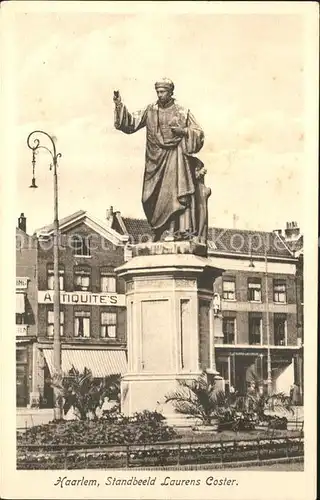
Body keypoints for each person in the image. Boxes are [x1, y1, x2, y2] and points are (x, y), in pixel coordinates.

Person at [114, 78, 211, 243]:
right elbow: (130, 123)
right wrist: (118, 105)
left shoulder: (182, 111)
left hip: (176, 161)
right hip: (154, 162)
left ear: (171, 92)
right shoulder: (150, 110)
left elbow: (199, 133)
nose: (160, 95)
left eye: (163, 91)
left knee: (174, 196)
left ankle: (173, 231)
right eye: (158, 92)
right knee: (148, 198)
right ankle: (160, 231)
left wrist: (183, 131)